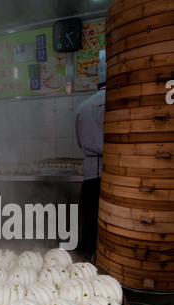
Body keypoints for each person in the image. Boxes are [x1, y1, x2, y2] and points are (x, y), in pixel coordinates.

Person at [75, 50, 106, 256]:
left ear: (97, 83)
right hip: (118, 176)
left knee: (90, 223)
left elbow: (79, 141)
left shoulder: (83, 107)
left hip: (92, 174)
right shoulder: (123, 103)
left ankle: (85, 262)